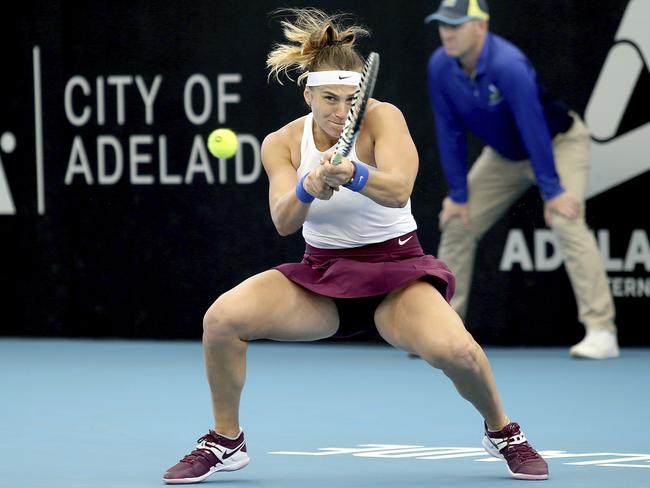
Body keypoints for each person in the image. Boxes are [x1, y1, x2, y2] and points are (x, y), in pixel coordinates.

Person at [163, 8, 548, 484]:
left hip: (396, 278)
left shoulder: (383, 118)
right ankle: (227, 439)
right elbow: (283, 221)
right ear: (307, 94)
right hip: (321, 281)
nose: (342, 111)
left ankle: (503, 431)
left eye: (351, 100)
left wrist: (354, 174)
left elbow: (400, 188)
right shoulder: (280, 143)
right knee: (222, 319)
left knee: (461, 354)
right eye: (329, 98)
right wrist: (308, 186)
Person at [425, 0, 619, 359]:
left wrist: (553, 191)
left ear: (481, 27)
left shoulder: (508, 64)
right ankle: (443, 330)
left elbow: (534, 129)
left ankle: (602, 330)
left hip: (559, 144)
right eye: (443, 25)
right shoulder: (439, 66)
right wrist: (458, 194)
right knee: (456, 222)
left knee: (566, 218)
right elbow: (449, 131)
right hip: (505, 156)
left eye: (457, 24)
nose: (447, 33)